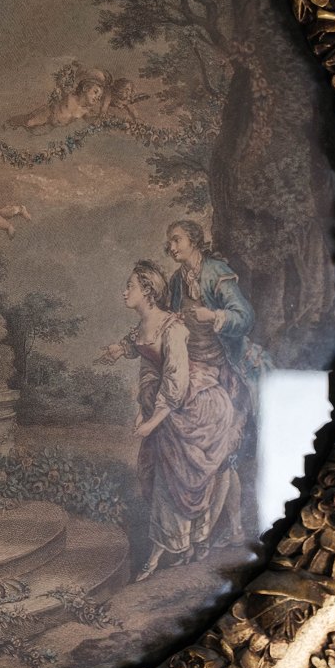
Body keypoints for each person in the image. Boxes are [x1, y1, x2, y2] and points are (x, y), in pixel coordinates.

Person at [100, 260, 241, 580]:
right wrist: (144, 406)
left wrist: (153, 421)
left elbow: (176, 380)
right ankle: (181, 546)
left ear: (148, 291)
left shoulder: (173, 328)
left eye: (130, 286)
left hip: (198, 406)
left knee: (181, 476)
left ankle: (165, 551)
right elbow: (148, 365)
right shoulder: (144, 326)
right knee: (165, 474)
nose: (124, 292)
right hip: (173, 408)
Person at [164, 219, 274, 543]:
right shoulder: (176, 281)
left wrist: (214, 316)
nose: (172, 246)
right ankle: (199, 529)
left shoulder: (216, 273)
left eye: (177, 239)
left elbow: (245, 317)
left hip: (226, 369)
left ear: (194, 241)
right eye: (170, 241)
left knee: (225, 455)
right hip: (195, 372)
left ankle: (236, 527)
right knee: (196, 453)